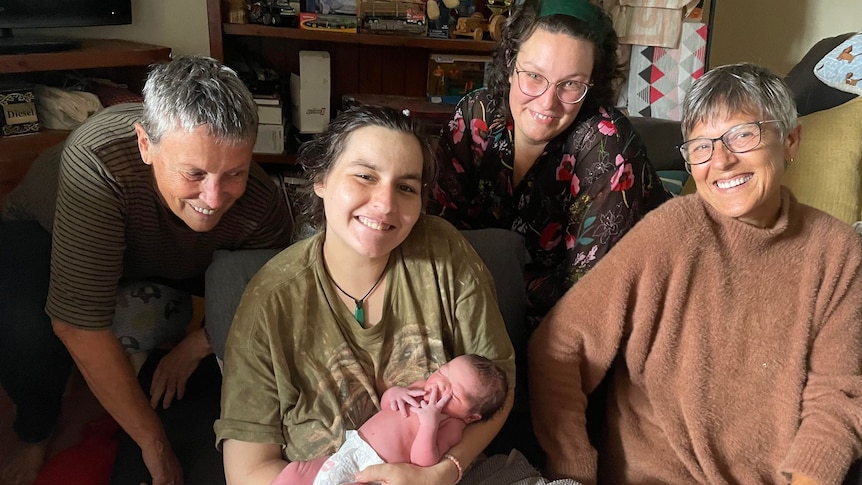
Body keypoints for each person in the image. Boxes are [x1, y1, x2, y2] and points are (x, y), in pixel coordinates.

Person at [529, 62, 862, 485]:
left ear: (791, 140)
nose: (720, 160)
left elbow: (838, 398)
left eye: (743, 134)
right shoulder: (671, 232)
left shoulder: (838, 252)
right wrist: (572, 467)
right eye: (701, 146)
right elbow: (559, 344)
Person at [0, 55, 293, 485]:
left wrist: (195, 345)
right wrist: (153, 443)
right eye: (194, 173)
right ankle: (36, 431)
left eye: (235, 173)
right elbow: (77, 323)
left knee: (249, 285)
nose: (213, 197)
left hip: (174, 252)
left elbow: (270, 295)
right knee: (23, 326)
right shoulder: (96, 161)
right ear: (145, 144)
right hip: (46, 232)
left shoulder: (260, 201)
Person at [215, 105, 515, 485]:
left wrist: (441, 473)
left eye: (406, 187)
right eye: (364, 176)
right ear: (321, 179)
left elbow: (499, 384)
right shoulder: (270, 301)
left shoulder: (445, 254)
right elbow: (248, 470)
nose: (385, 204)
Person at [427, 0, 671, 329]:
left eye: (570, 84)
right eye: (533, 75)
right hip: (480, 307)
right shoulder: (475, 116)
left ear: (593, 83)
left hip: (582, 325)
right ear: (510, 64)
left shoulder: (607, 148)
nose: (547, 102)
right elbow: (438, 233)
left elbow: (589, 298)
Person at [272, 354, 508, 485]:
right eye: (443, 371)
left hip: (376, 470)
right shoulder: (419, 388)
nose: (439, 384)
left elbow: (424, 462)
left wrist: (429, 424)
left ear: (471, 416)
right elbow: (387, 407)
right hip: (350, 451)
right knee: (296, 471)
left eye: (453, 393)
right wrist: (395, 394)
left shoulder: (452, 425)